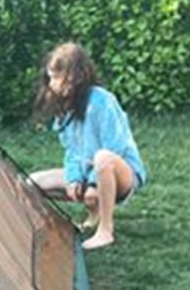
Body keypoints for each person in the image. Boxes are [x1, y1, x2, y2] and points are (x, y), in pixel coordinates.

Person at [29, 42, 147, 250]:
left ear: (74, 77)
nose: (51, 84)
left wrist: (93, 184)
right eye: (50, 77)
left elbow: (116, 146)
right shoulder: (64, 108)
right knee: (31, 183)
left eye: (56, 77)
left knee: (103, 157)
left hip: (122, 174)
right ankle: (61, 223)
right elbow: (72, 150)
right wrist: (74, 178)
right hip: (87, 172)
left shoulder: (103, 101)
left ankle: (105, 230)